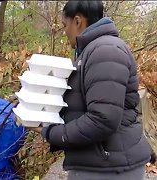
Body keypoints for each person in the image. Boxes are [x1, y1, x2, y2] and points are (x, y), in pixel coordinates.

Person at [28, 1, 152, 180]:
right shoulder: (91, 50)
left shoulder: (105, 51)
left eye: (65, 25)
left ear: (77, 21)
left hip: (109, 169)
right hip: (101, 163)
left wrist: (51, 133)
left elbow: (103, 119)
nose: (64, 32)